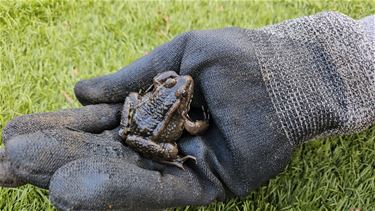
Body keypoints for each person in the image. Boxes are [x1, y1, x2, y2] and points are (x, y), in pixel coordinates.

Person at [0, 11, 373, 210]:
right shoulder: (181, 112)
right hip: (152, 135)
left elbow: (146, 104)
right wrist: (195, 130)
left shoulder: (153, 95)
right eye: (176, 87)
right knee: (171, 150)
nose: (183, 84)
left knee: (131, 130)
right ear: (166, 90)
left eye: (176, 87)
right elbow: (192, 127)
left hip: (137, 121)